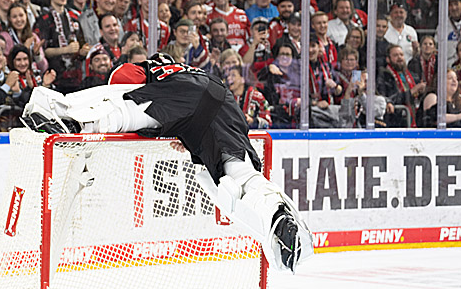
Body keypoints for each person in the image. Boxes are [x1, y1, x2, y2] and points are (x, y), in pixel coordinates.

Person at [20, 53, 313, 272]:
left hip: (184, 95)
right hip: (223, 101)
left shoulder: (147, 68)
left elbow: (124, 87)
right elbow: (193, 110)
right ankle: (276, 217)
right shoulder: (187, 69)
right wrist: (177, 128)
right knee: (238, 175)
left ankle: (67, 117)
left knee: (124, 107)